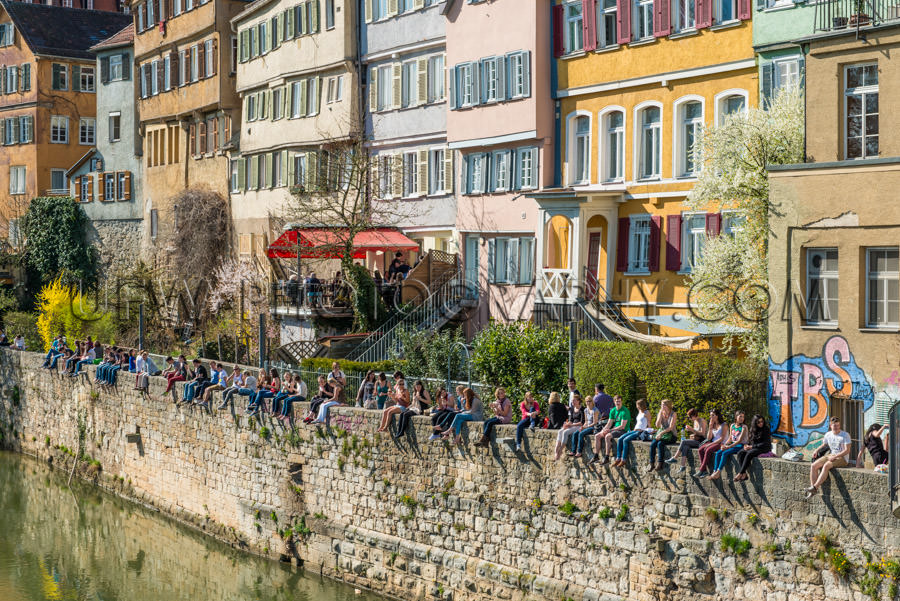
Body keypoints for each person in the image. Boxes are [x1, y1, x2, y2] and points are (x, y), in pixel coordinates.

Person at [806, 416, 852, 499]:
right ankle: (812, 489)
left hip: (842, 458)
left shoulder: (845, 435)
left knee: (826, 465)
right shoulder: (828, 434)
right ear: (831, 426)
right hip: (831, 455)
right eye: (834, 426)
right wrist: (816, 450)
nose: (836, 427)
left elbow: (847, 451)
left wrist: (836, 456)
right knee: (814, 465)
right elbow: (824, 445)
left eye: (838, 425)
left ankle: (815, 487)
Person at [707, 411, 747, 481]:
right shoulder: (732, 425)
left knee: (725, 453)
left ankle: (719, 472)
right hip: (733, 445)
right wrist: (724, 445)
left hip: (740, 445)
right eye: (740, 416)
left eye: (743, 417)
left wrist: (729, 447)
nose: (742, 418)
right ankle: (714, 471)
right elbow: (730, 438)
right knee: (719, 452)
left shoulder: (744, 427)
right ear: (736, 417)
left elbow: (739, 440)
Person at [592, 395, 631, 464]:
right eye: (616, 401)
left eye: (619, 401)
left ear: (621, 402)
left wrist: (610, 430)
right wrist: (604, 430)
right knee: (597, 436)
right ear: (614, 402)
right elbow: (609, 423)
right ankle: (596, 456)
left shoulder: (625, 411)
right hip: (615, 429)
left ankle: (607, 457)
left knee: (607, 436)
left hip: (623, 430)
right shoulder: (613, 410)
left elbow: (622, 426)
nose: (617, 403)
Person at [614, 399, 653, 467]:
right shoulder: (639, 412)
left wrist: (648, 431)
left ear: (641, 405)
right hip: (635, 430)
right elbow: (639, 422)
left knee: (625, 440)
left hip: (640, 431)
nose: (637, 406)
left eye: (637, 405)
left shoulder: (647, 412)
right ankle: (618, 458)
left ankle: (624, 459)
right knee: (620, 439)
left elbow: (649, 423)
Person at [734, 415, 772, 482]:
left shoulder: (766, 429)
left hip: (764, 448)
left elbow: (765, 443)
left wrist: (752, 447)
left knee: (749, 453)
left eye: (762, 421)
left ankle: (740, 473)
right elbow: (751, 441)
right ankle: (744, 474)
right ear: (755, 423)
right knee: (740, 452)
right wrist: (747, 445)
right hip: (755, 447)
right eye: (758, 422)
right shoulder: (752, 429)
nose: (761, 423)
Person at [693, 410, 726, 477]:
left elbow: (722, 438)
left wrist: (710, 444)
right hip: (713, 442)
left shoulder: (724, 425)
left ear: (717, 416)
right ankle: (704, 471)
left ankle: (701, 469)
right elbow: (709, 438)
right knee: (700, 449)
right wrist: (710, 428)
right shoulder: (713, 425)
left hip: (721, 443)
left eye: (713, 415)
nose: (711, 417)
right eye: (710, 415)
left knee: (708, 450)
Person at [648, 400, 678, 471]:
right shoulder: (661, 412)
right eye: (661, 405)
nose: (662, 406)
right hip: (662, 435)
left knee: (660, 444)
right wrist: (660, 415)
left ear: (668, 406)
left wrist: (661, 433)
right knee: (652, 444)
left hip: (671, 435)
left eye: (664, 405)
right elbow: (657, 425)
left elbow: (670, 428)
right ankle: (651, 463)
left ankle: (660, 463)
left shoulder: (673, 414)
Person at [554, 394, 585, 461]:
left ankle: (560, 450)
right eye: (572, 401)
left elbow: (582, 422)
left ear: (578, 401)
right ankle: (556, 450)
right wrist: (567, 424)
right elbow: (571, 420)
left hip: (578, 426)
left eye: (574, 400)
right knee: (560, 431)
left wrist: (571, 425)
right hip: (572, 425)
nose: (572, 402)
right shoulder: (572, 409)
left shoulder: (582, 409)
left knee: (565, 432)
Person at [569, 394, 599, 458]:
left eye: (589, 401)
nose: (588, 403)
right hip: (587, 426)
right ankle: (573, 451)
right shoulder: (585, 410)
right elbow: (586, 421)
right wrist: (583, 427)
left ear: (592, 401)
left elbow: (595, 422)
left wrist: (586, 427)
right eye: (587, 401)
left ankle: (579, 452)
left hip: (593, 427)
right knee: (575, 433)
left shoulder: (595, 410)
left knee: (581, 434)